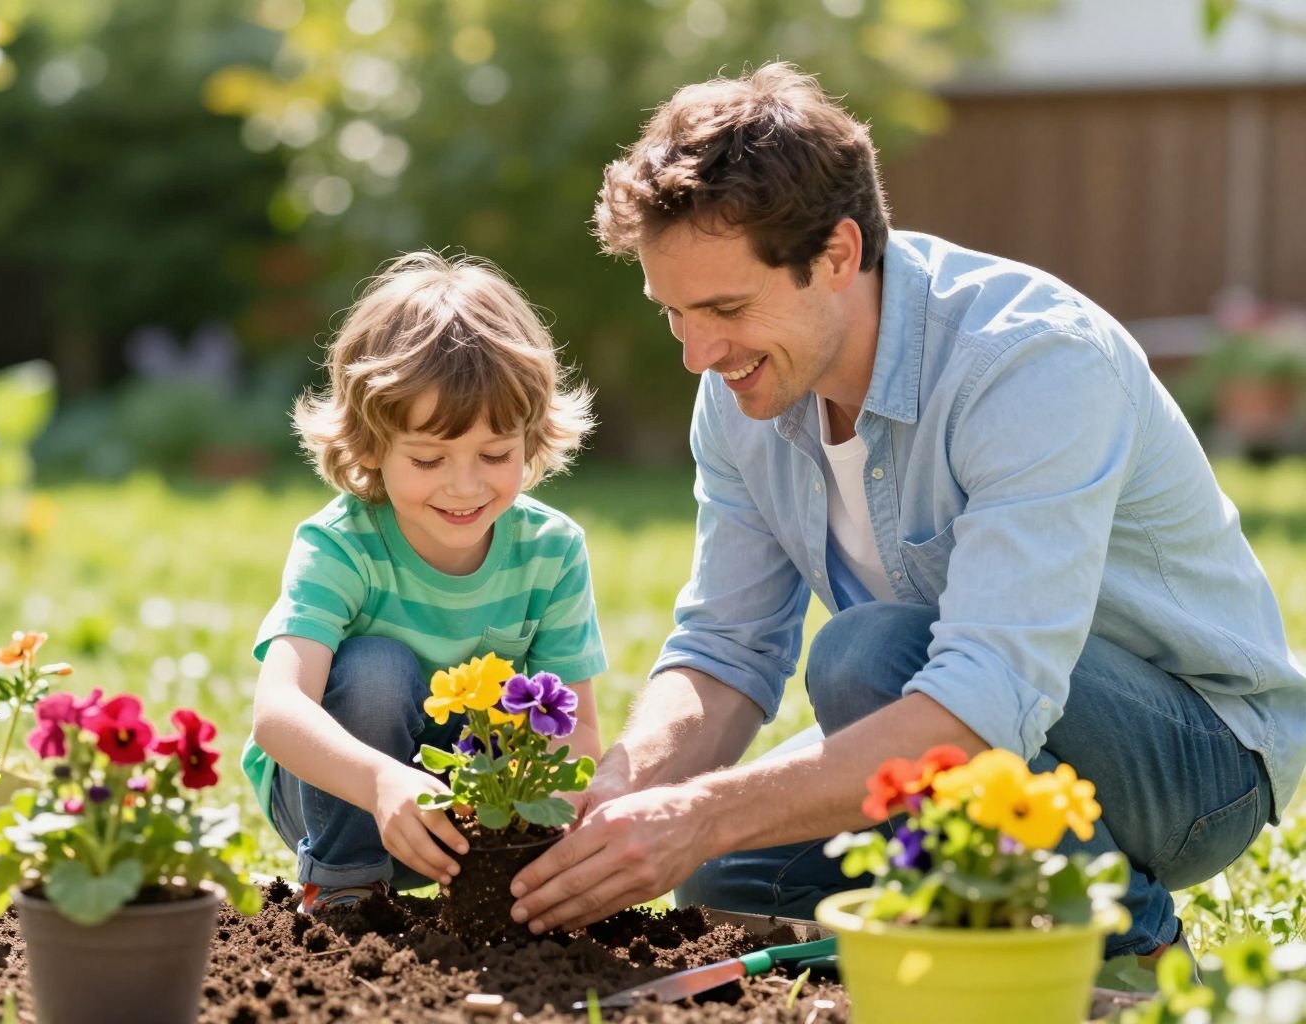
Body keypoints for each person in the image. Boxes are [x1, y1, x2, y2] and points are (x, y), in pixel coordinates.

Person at [507, 63, 1306, 960]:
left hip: (1196, 763)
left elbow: (982, 698)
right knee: (730, 882)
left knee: (870, 654)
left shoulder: (1030, 361)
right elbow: (727, 648)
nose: (698, 353)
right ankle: (957, 931)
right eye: (674, 315)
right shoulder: (742, 385)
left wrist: (701, 812)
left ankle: (1131, 953)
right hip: (974, 727)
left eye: (726, 307)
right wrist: (627, 790)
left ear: (839, 254)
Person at [246, 252, 607, 915]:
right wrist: (383, 782)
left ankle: (488, 888)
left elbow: (575, 731)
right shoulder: (342, 544)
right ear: (371, 445)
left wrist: (560, 845)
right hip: (338, 794)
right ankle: (347, 887)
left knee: (517, 711)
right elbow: (277, 713)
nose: (465, 486)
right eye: (429, 458)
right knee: (378, 668)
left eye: (496, 455)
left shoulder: (550, 551)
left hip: (473, 806)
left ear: (531, 439)